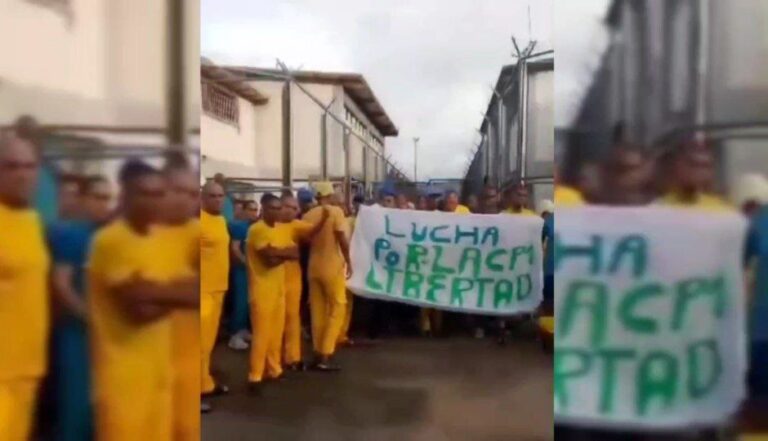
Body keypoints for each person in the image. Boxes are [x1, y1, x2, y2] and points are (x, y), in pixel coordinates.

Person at [87, 161, 198, 440]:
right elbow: (139, 311)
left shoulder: (155, 240)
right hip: (123, 379)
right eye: (145, 194)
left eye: (159, 194)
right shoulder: (112, 240)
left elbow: (154, 296)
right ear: (125, 197)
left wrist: (157, 291)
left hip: (159, 374)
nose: (154, 202)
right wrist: (182, 293)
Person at [47, 175, 112, 441]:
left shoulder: (104, 235)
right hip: (76, 333)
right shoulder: (71, 234)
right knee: (76, 404)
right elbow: (61, 285)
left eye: (108, 198)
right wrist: (91, 317)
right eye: (98, 197)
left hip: (99, 333)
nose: (104, 204)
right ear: (83, 198)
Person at [0, 133, 50, 440]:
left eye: (30, 166)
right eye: (12, 166)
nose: (23, 174)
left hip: (28, 370)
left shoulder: (31, 219)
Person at [159, 155, 203, 437]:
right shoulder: (137, 234)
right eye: (177, 191)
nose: (185, 200)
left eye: (191, 193)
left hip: (186, 362)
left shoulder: (195, 233)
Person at [303, 182, 352, 369]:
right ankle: (326, 351)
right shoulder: (335, 212)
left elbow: (305, 239)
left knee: (317, 310)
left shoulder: (308, 214)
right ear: (330, 195)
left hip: (313, 266)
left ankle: (317, 350)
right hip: (332, 266)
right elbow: (341, 238)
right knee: (338, 306)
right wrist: (348, 260)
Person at [278, 192, 328, 371]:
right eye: (288, 207)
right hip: (271, 281)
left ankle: (292, 358)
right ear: (279, 206)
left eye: (294, 208)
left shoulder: (295, 225)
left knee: (292, 318)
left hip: (293, 280)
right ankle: (274, 360)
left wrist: (323, 219)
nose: (292, 211)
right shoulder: (266, 226)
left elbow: (311, 231)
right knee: (275, 322)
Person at [200, 180, 231, 398]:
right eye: (213, 196)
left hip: (218, 288)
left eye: (221, 196)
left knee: (209, 344)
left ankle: (205, 383)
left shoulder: (220, 220)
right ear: (202, 198)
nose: (218, 199)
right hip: (200, 291)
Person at [656, 142, 730, 210]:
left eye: (705, 166)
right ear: (677, 165)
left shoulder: (722, 211)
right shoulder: (658, 208)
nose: (699, 173)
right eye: (693, 164)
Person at [227, 200, 258, 351]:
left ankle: (243, 330)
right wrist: (246, 263)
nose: (254, 213)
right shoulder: (239, 226)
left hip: (250, 270)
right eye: (251, 209)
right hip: (241, 270)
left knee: (248, 301)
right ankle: (235, 335)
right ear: (244, 210)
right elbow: (235, 248)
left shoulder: (253, 227)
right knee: (240, 302)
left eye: (256, 210)